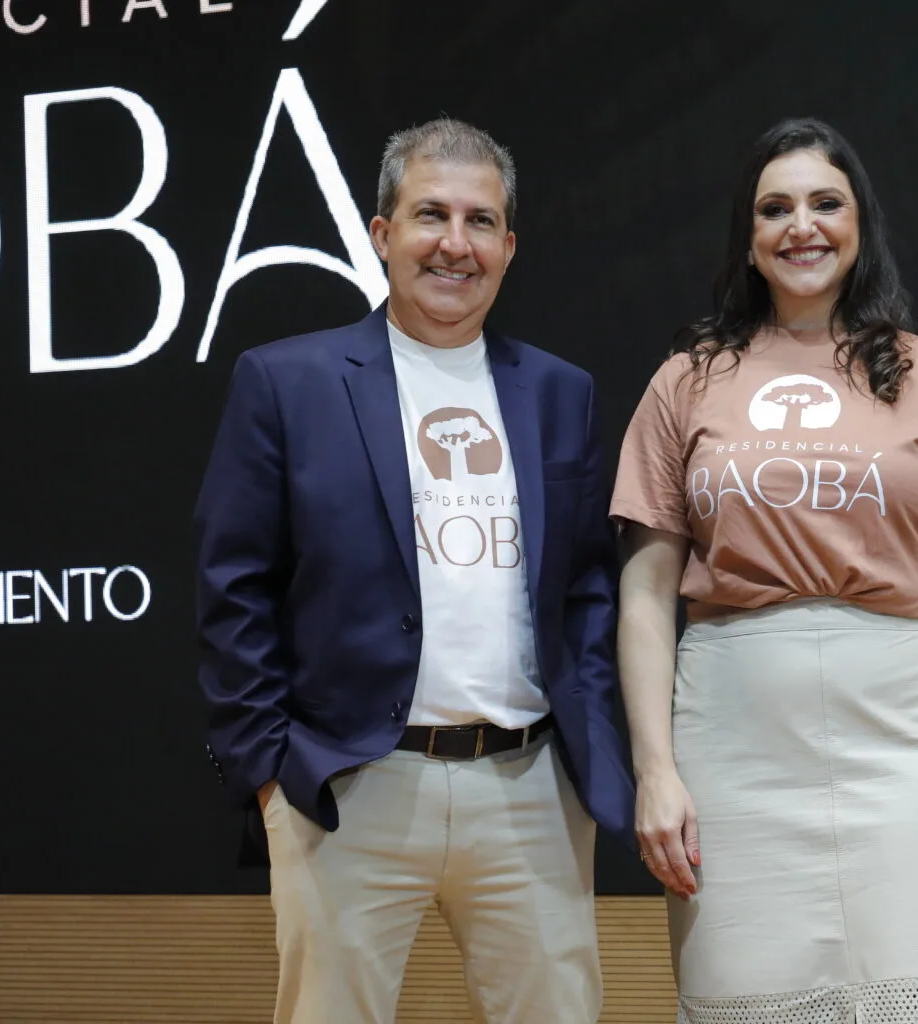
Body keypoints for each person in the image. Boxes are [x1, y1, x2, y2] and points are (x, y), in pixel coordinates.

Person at [195, 117, 633, 1024]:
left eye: (480, 221)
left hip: (531, 788)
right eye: (430, 214)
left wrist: (587, 753)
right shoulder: (288, 382)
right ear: (380, 231)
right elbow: (234, 585)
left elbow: (590, 589)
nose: (454, 243)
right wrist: (271, 770)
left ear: (509, 246)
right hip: (350, 786)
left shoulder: (562, 392)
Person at [611, 117, 918, 1023]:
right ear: (750, 241)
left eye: (824, 203)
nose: (801, 225)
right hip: (730, 743)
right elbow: (646, 593)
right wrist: (655, 770)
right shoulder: (685, 381)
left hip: (912, 744)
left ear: (860, 224)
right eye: (776, 209)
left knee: (915, 1004)